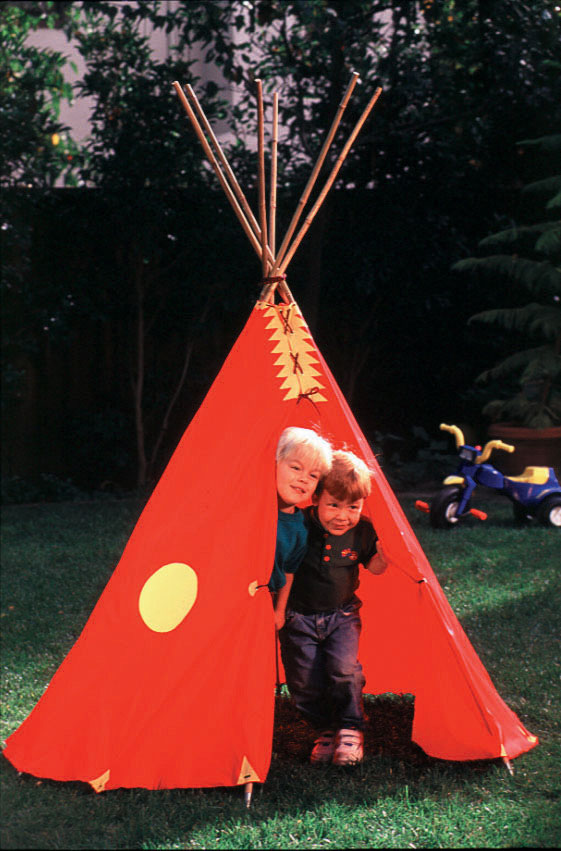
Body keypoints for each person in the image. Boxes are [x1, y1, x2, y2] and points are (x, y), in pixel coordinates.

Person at [279, 449, 388, 766]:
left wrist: (386, 552)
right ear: (315, 498)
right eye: (334, 505)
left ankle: (350, 729)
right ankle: (324, 729)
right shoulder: (300, 525)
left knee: (344, 671)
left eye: (353, 507)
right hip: (298, 618)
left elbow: (375, 567)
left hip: (342, 616)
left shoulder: (362, 531)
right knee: (303, 681)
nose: (343, 515)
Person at [269, 426, 333, 632]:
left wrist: (279, 611)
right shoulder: (257, 509)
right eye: (296, 468)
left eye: (313, 475)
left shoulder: (299, 528)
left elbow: (288, 572)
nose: (304, 478)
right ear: (275, 464)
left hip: (265, 600)